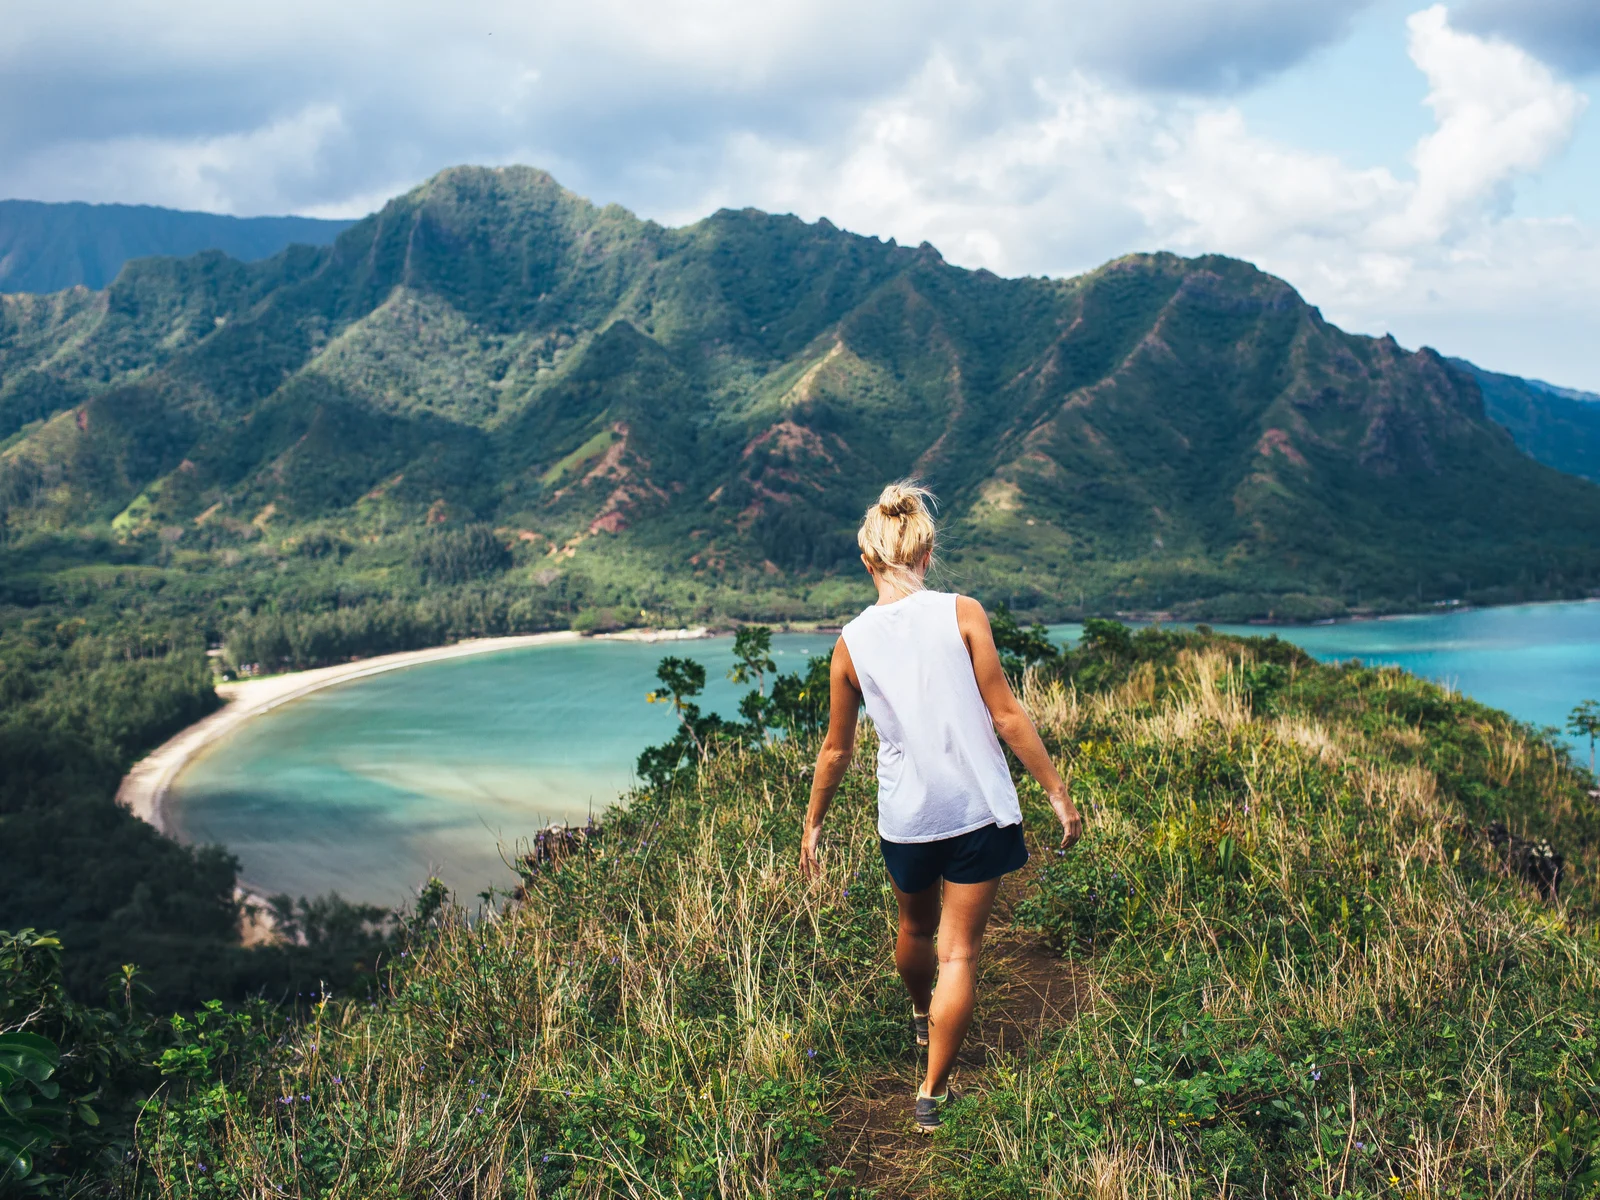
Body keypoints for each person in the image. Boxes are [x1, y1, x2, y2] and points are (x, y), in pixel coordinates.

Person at [799, 480, 1083, 1133]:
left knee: (915, 933)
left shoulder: (850, 642)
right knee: (959, 954)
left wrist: (813, 826)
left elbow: (836, 750)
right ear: (925, 554)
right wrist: (1056, 793)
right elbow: (1008, 716)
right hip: (976, 810)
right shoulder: (964, 612)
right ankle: (931, 1093)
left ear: (868, 562)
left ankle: (922, 1017)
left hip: (907, 819)